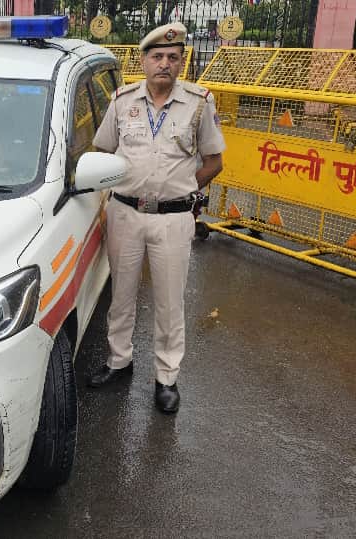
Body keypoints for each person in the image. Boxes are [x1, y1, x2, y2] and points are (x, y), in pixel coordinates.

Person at [86, 22, 225, 414]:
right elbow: (103, 152)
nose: (164, 63)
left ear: (182, 63)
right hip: (125, 213)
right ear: (144, 61)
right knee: (122, 295)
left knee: (169, 302)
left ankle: (166, 378)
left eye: (173, 57)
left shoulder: (199, 103)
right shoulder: (122, 100)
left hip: (173, 219)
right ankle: (119, 361)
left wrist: (182, 187)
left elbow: (215, 162)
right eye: (157, 57)